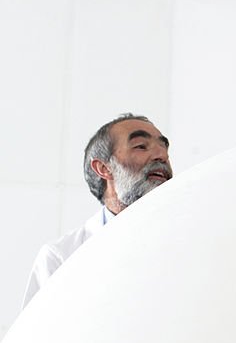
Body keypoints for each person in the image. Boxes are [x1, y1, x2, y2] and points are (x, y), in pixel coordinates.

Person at [23, 114, 172, 306]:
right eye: (141, 146)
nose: (162, 156)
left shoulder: (192, 239)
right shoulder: (61, 258)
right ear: (104, 168)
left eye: (164, 148)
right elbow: (37, 333)